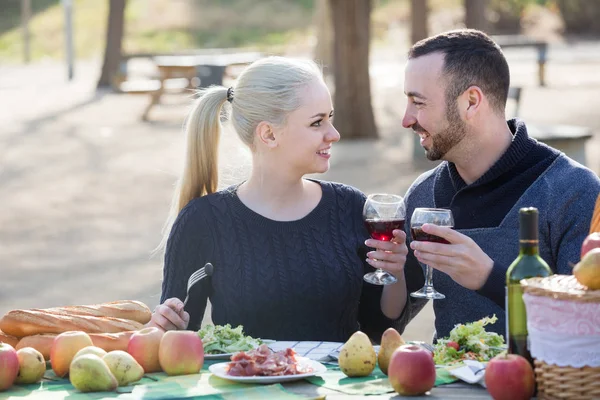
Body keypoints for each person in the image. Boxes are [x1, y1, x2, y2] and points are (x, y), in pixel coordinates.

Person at [147, 56, 410, 342]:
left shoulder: (350, 208)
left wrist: (394, 273)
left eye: (330, 118)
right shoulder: (202, 221)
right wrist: (165, 326)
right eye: (316, 122)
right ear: (269, 134)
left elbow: (379, 330)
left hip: (338, 386)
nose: (333, 134)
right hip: (246, 384)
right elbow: (178, 340)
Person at [397, 29, 600, 340]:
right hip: (447, 388)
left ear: (471, 101)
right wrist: (386, 273)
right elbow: (388, 322)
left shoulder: (575, 191)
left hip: (546, 387)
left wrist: (489, 279)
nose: (406, 119)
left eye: (418, 102)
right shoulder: (424, 196)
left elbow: (588, 326)